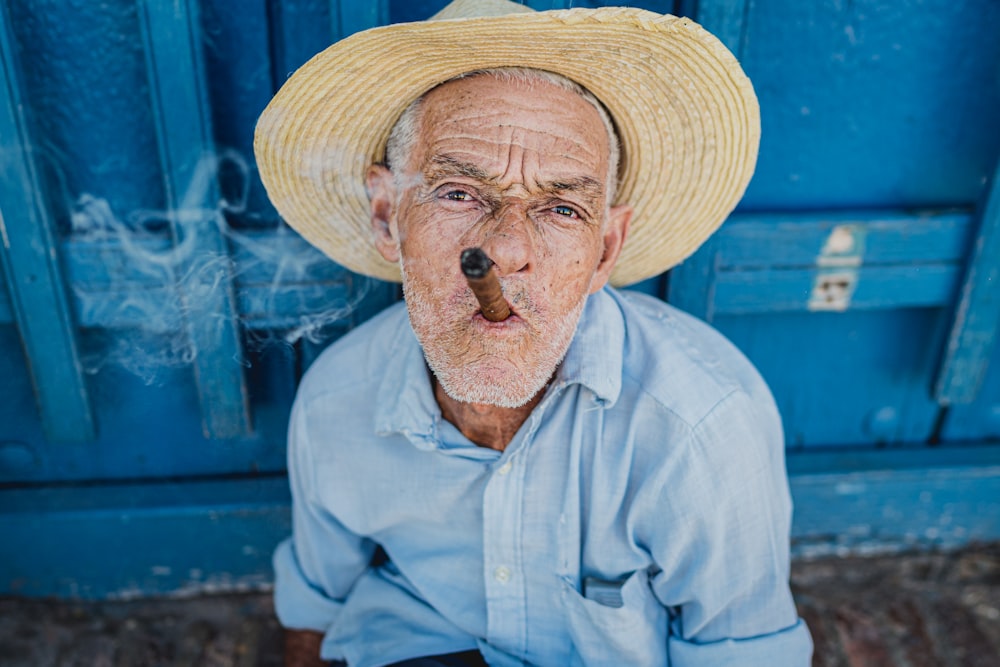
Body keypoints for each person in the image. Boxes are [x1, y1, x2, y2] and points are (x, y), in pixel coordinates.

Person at [254, 1, 813, 665]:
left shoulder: (702, 426)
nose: (506, 248)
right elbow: (314, 613)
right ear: (387, 214)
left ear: (605, 249)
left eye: (561, 207)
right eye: (459, 192)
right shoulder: (336, 399)